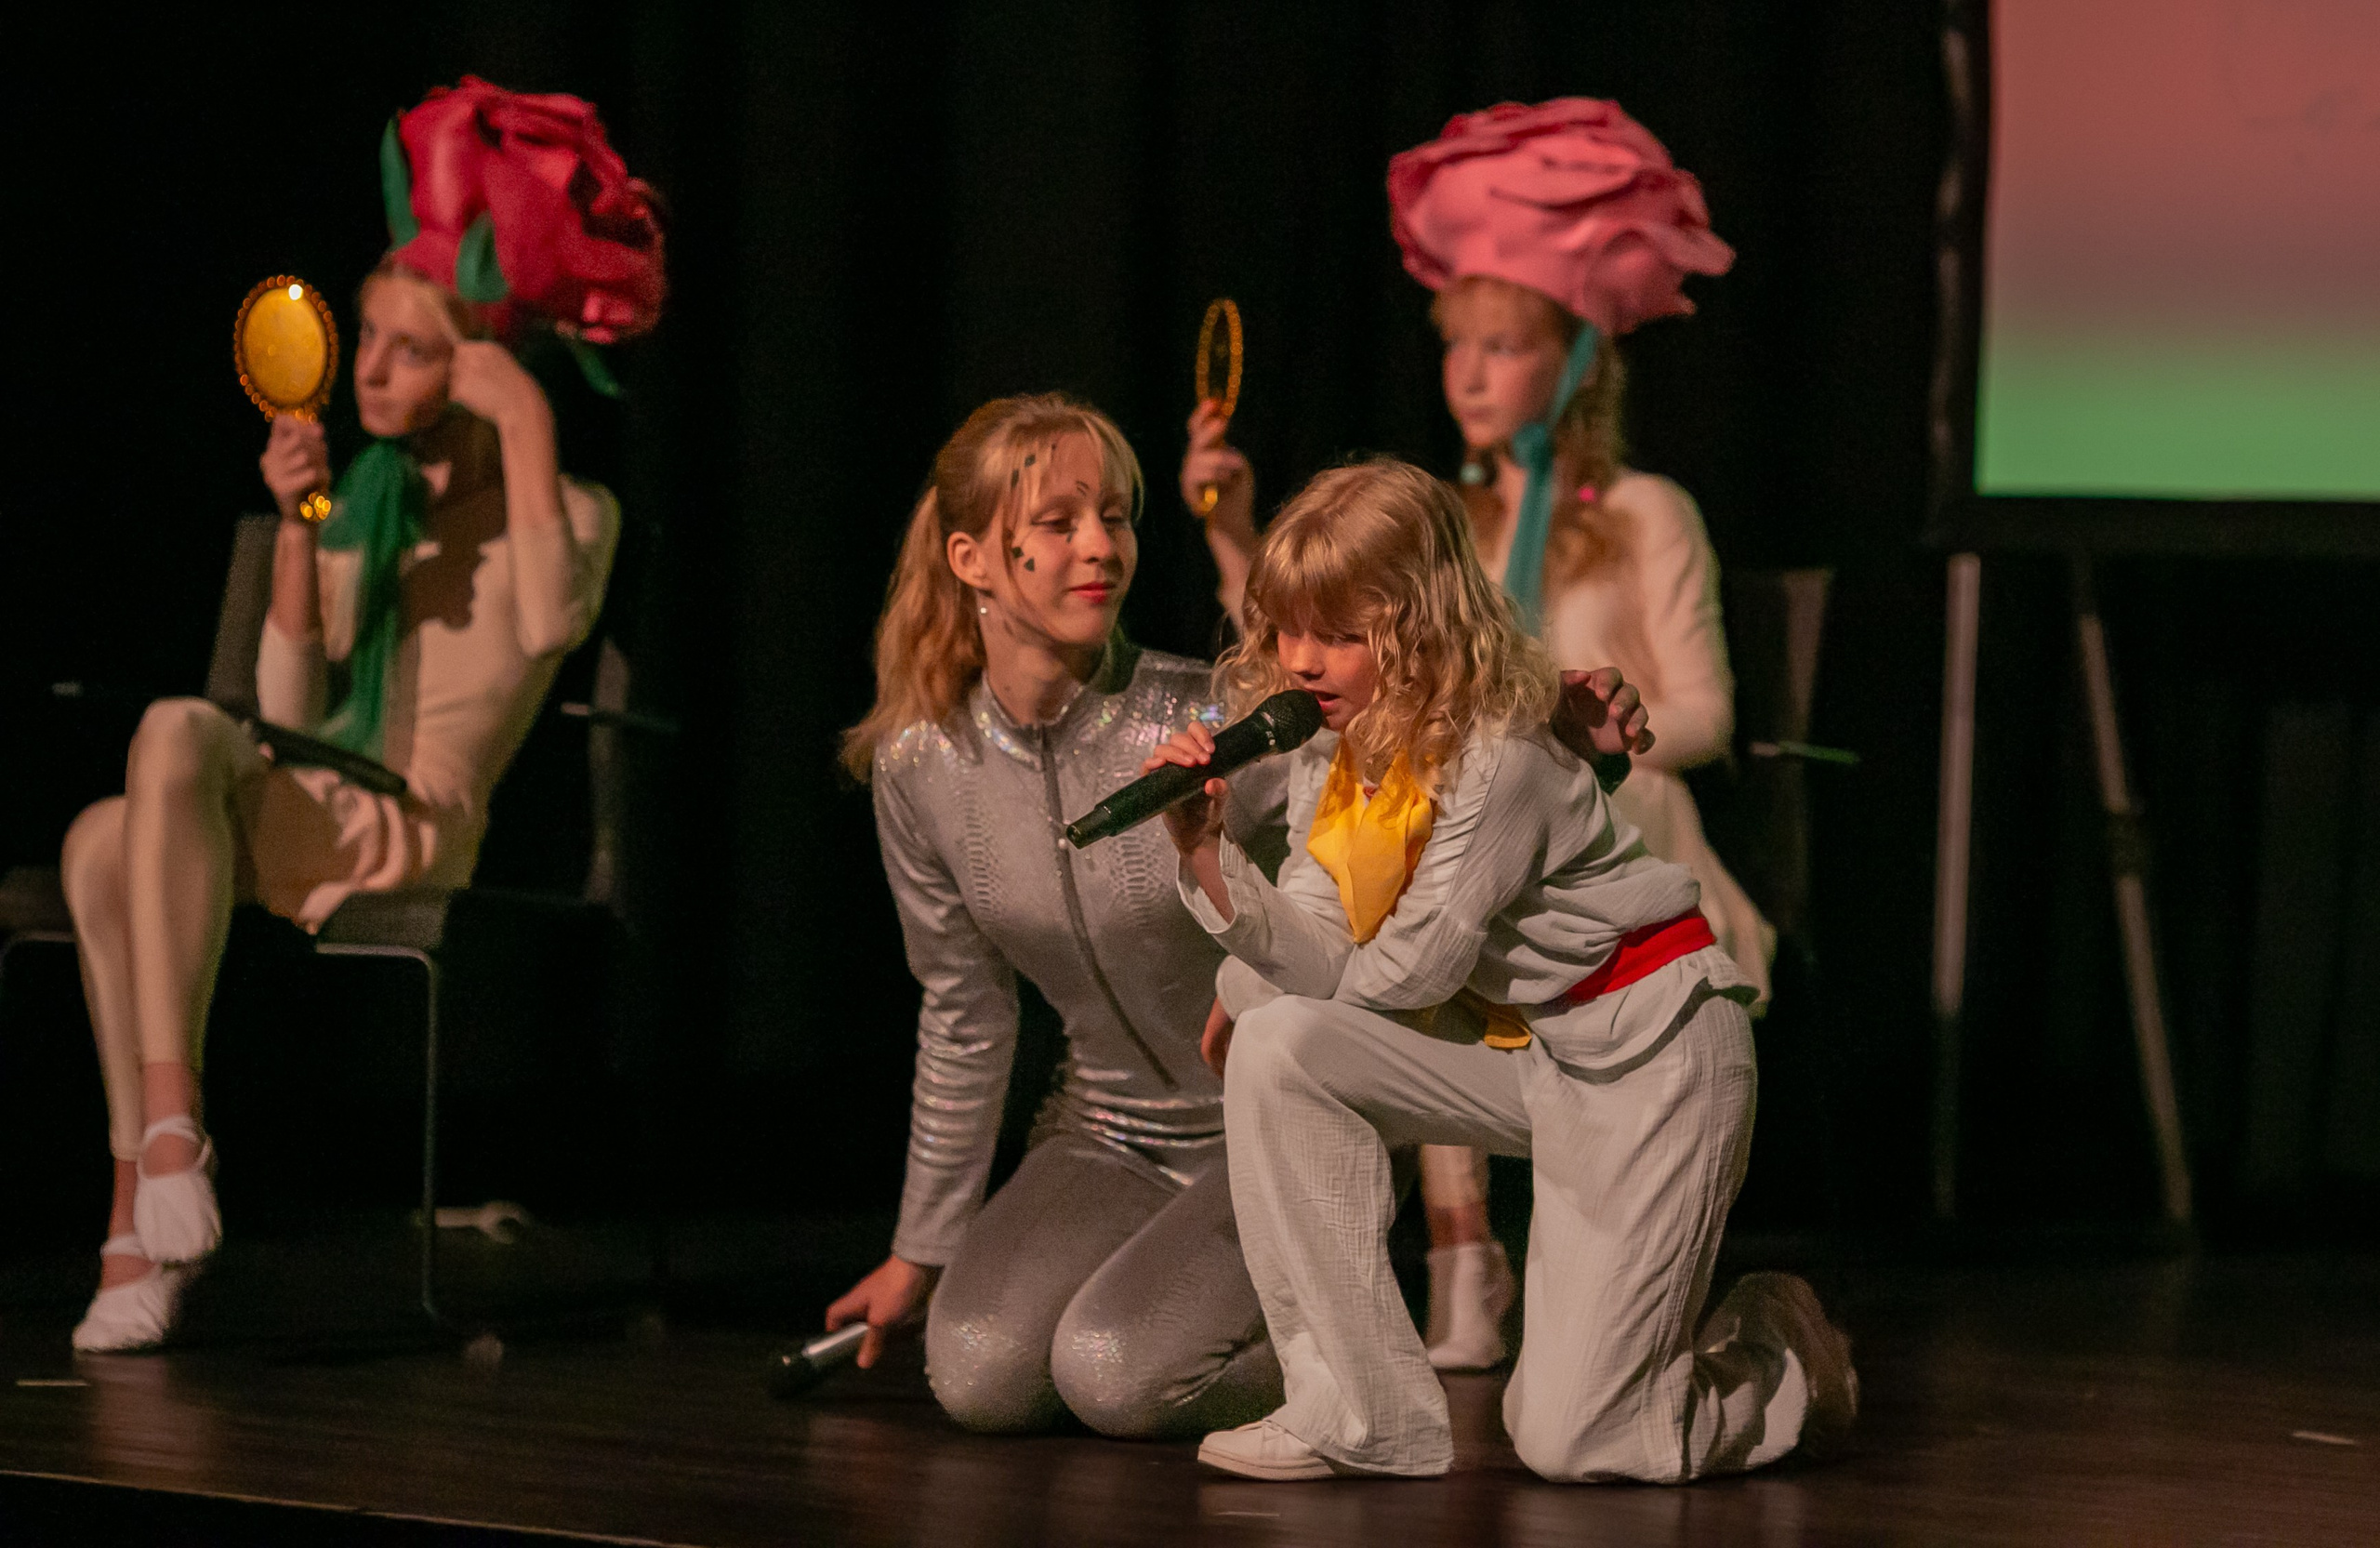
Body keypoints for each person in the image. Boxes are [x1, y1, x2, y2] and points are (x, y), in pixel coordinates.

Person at [825, 394, 1652, 1437]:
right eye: (1059, 523)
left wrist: (1575, 744)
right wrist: (921, 1249)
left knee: (1114, 1377)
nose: (1101, 547)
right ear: (971, 559)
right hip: (1102, 1131)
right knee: (980, 1378)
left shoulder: (1209, 714)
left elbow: (1427, 779)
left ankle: (1355, 1358)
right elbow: (963, 1010)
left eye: (1118, 516)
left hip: (1273, 1114)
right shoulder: (919, 767)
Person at [60, 78, 663, 1353]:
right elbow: (286, 709)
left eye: (408, 345)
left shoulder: (573, 516)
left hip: (414, 826)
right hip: (319, 796)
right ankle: (159, 1170)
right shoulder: (368, 499)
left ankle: (145, 1198)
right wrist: (301, 528)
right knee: (104, 833)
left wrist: (530, 418)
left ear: (482, 364)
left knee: (155, 766)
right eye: (369, 338)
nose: (369, 368)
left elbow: (551, 621)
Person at [1182, 97, 1763, 1370]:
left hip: (1610, 828)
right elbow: (1329, 680)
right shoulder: (1442, 521)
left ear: (1574, 356)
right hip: (1454, 860)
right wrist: (1232, 534)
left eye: (1504, 346)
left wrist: (1577, 732)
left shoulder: (1649, 515)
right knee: (1400, 866)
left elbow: (1707, 716)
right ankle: (1459, 1259)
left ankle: (1579, 1280)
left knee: (1445, 881)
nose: (1470, 374)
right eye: (1460, 347)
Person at [1146, 458, 1854, 1483]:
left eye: (1339, 633)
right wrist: (1206, 855)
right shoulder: (1337, 755)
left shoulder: (1500, 755)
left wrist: (1255, 982)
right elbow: (1309, 923)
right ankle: (1358, 1408)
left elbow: (1404, 975)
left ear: (1420, 622)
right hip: (1541, 1058)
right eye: (1289, 628)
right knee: (1280, 1048)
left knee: (1579, 1441)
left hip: (1655, 1060)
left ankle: (1780, 1355)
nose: (1301, 661)